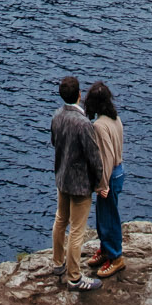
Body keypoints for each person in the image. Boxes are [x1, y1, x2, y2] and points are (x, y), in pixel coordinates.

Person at [48, 75, 100, 291]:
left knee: (60, 220)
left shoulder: (56, 116)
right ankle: (74, 277)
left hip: (62, 178)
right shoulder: (84, 123)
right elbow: (94, 157)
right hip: (80, 185)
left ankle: (58, 263)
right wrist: (98, 182)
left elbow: (54, 142)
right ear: (80, 95)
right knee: (77, 230)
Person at [84, 80, 124, 275]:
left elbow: (106, 157)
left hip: (109, 175)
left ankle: (116, 258)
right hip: (119, 171)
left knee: (108, 218)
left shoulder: (99, 126)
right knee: (106, 214)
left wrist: (102, 184)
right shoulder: (115, 120)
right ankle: (106, 249)